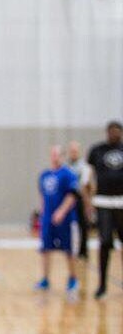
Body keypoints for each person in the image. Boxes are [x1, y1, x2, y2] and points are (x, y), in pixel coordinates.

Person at [34, 145, 79, 297]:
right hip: (48, 218)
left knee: (68, 250)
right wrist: (42, 213)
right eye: (53, 154)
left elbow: (72, 195)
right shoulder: (44, 175)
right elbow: (42, 195)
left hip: (65, 219)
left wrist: (61, 211)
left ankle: (73, 279)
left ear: (62, 156)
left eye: (58, 154)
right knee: (45, 249)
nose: (55, 157)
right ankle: (45, 279)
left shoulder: (68, 174)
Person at [86, 120, 123, 299]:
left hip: (121, 203)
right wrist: (88, 203)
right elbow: (89, 179)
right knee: (105, 242)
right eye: (111, 131)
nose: (114, 134)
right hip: (103, 203)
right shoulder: (97, 151)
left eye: (117, 131)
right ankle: (102, 285)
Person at [66, 140, 92, 259]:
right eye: (72, 151)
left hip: (80, 197)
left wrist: (88, 204)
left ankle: (83, 250)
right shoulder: (66, 166)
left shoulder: (84, 166)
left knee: (83, 225)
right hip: (68, 198)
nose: (73, 153)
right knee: (69, 225)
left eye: (75, 151)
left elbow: (85, 185)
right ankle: (69, 248)